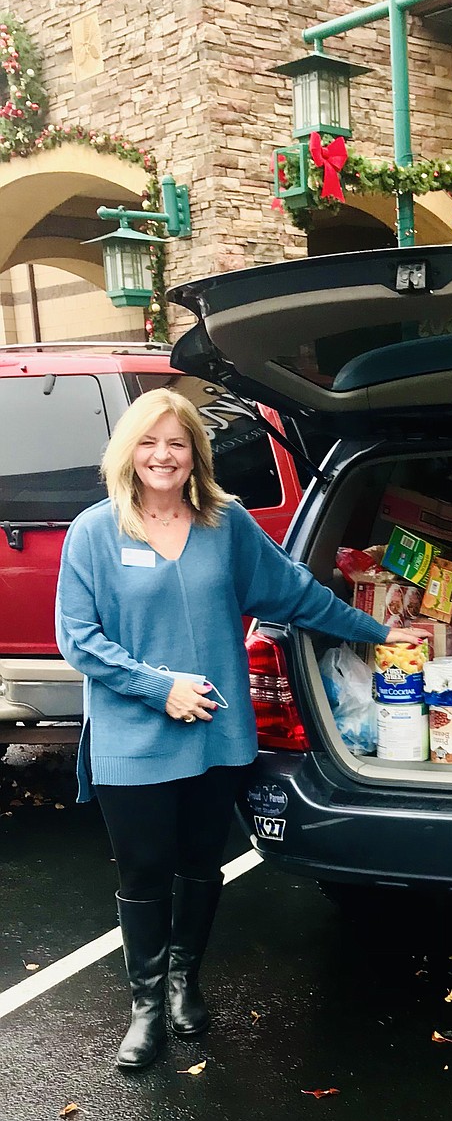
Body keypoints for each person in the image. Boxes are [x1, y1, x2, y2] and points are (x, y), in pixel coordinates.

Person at [55, 388, 420, 1073]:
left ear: (196, 452)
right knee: (142, 872)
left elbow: (296, 593)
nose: (163, 455)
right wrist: (160, 687)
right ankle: (143, 1008)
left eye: (177, 442)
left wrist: (379, 633)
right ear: (128, 451)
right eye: (149, 442)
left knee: (200, 863)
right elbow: (79, 640)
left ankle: (184, 982)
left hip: (215, 737)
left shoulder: (226, 524)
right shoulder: (95, 532)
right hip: (132, 741)